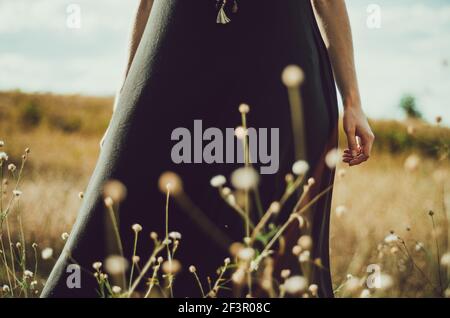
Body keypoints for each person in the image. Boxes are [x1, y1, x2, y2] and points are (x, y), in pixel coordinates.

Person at [42, 0, 374, 298]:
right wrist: (124, 95)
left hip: (278, 67)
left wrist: (353, 102)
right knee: (121, 207)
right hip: (174, 53)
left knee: (264, 233)